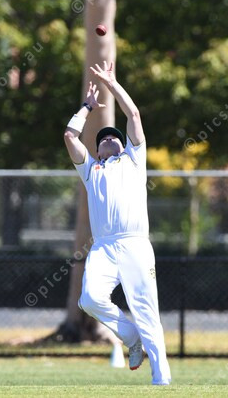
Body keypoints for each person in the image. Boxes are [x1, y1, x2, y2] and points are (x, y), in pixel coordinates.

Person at [63, 61, 171, 386]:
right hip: (104, 247)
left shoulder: (134, 160)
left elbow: (133, 115)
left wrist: (111, 84)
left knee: (147, 311)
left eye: (115, 137)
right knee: (89, 299)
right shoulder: (91, 170)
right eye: (103, 138)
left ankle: (161, 380)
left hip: (135, 243)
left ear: (124, 146)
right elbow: (69, 136)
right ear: (97, 150)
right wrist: (86, 107)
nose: (109, 138)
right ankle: (131, 337)